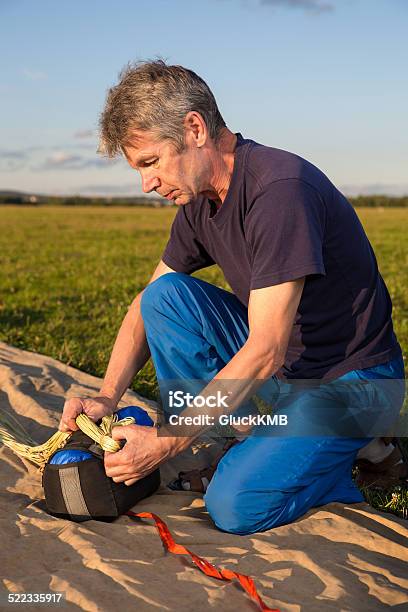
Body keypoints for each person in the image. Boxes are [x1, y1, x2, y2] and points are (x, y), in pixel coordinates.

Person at [59, 60, 406, 535]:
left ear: (195, 128)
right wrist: (105, 395)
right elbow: (147, 304)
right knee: (165, 297)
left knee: (234, 506)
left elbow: (265, 349)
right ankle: (253, 445)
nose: (146, 184)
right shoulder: (202, 198)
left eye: (150, 162)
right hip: (288, 369)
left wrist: (164, 442)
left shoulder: (279, 190)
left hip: (352, 379)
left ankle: (334, 453)